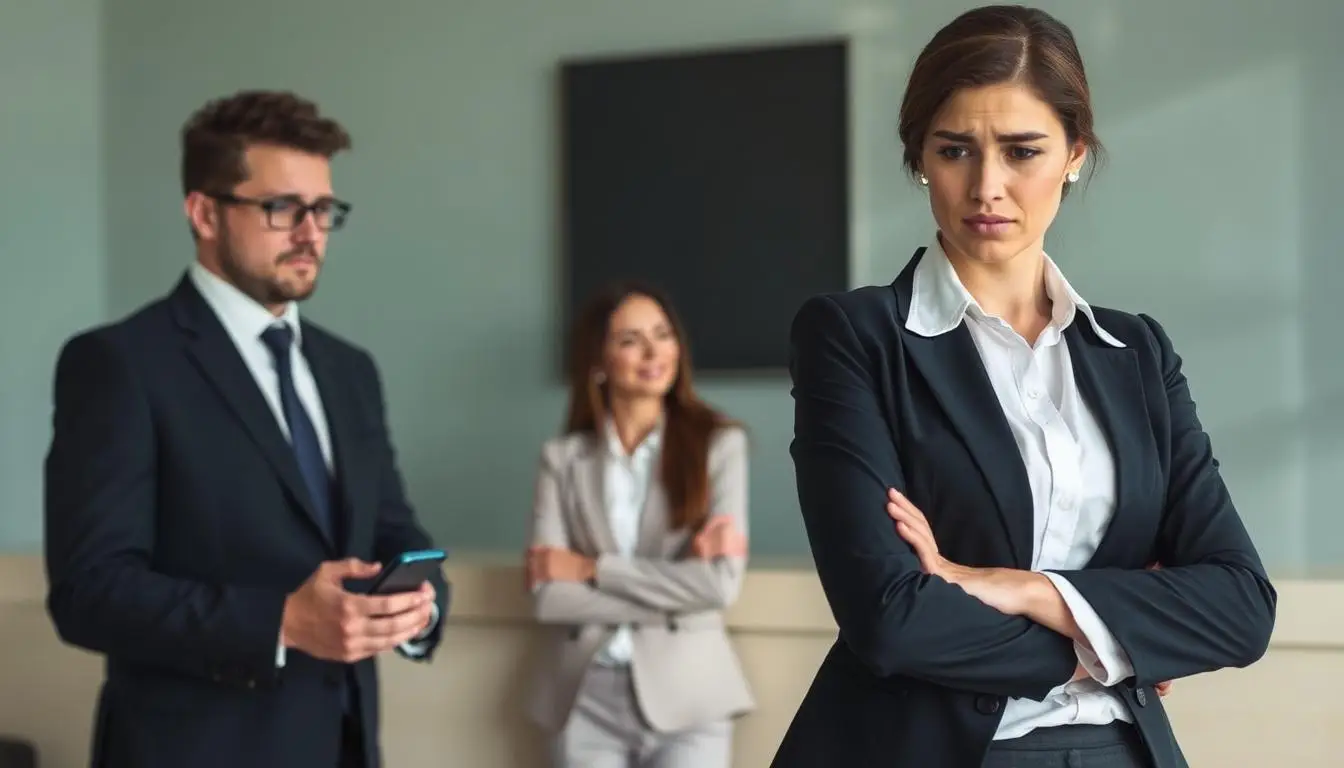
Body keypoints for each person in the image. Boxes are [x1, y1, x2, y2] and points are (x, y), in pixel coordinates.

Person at [771, 6, 1276, 768]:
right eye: (955, 150)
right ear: (919, 157)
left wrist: (1018, 588)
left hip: (1121, 751)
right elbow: (891, 618)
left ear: (1074, 153)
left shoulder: (1137, 353)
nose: (987, 186)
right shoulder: (854, 337)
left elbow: (1240, 607)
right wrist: (1111, 641)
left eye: (1022, 151)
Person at [42, 90, 450, 768]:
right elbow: (90, 591)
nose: (310, 233)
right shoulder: (120, 363)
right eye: (282, 208)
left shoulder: (350, 371)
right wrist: (281, 621)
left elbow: (393, 531)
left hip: (344, 745)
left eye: (323, 209)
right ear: (204, 213)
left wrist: (419, 610)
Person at [523, 281, 756, 768]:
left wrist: (592, 569)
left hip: (691, 696)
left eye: (663, 334)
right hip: (583, 700)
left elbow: (718, 586)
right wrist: (676, 590)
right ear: (597, 361)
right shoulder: (562, 459)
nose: (654, 352)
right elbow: (548, 596)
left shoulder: (720, 445)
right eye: (631, 340)